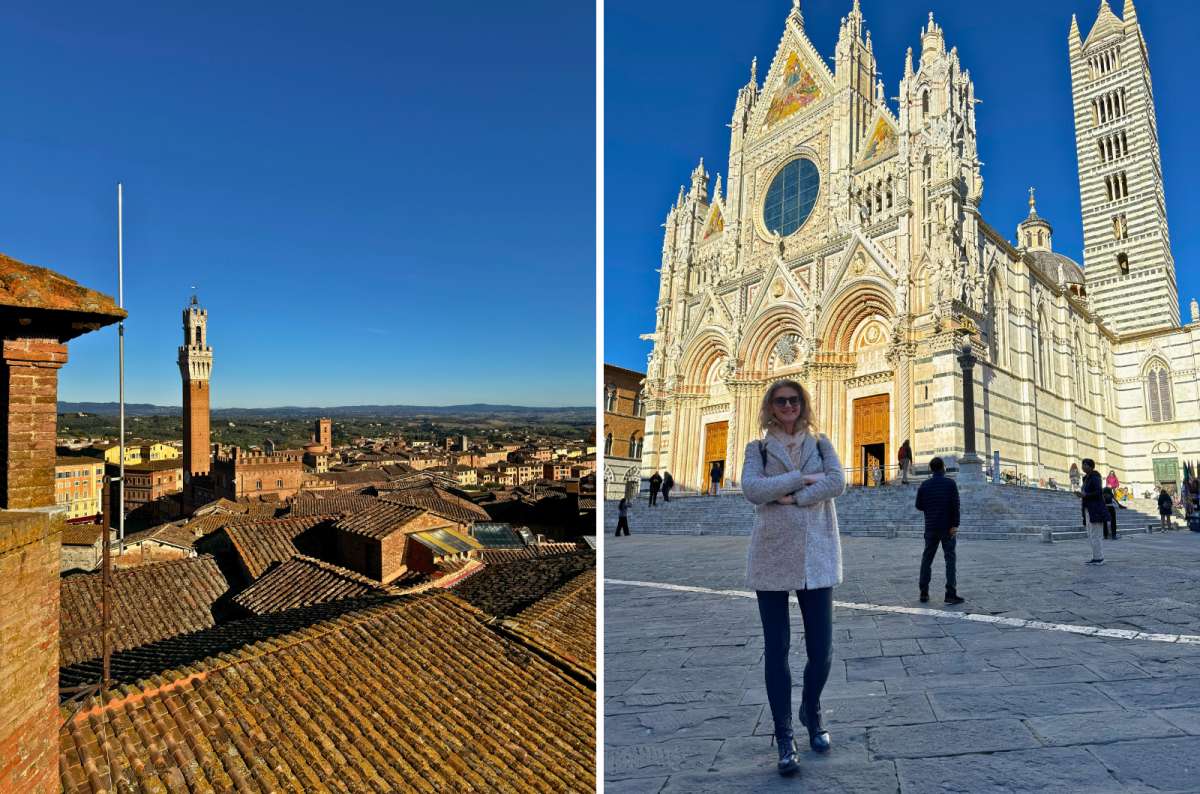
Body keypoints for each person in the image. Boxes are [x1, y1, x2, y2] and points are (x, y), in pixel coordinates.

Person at [741, 379, 845, 776]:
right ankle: (784, 735)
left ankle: (811, 710)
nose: (788, 406)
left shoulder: (821, 444)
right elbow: (751, 488)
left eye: (795, 400)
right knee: (777, 650)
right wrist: (802, 480)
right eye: (781, 401)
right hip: (772, 555)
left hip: (817, 554)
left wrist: (790, 495)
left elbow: (838, 481)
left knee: (822, 650)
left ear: (804, 405)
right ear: (770, 407)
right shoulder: (757, 448)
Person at [915, 457, 964, 605]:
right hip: (947, 527)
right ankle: (950, 593)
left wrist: (930, 509)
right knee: (950, 560)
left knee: (927, 559)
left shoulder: (924, 485)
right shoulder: (950, 484)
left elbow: (918, 505)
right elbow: (955, 505)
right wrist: (955, 524)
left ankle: (924, 592)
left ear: (930, 468)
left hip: (930, 527)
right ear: (943, 467)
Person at [1076, 459, 1106, 564]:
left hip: (1095, 509)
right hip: (1088, 508)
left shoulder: (1095, 477)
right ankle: (1096, 556)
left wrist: (1085, 495)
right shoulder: (1086, 478)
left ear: (1090, 466)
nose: (1082, 467)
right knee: (1091, 533)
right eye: (1082, 465)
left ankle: (1099, 558)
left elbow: (1098, 492)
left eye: (1084, 465)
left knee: (1096, 533)